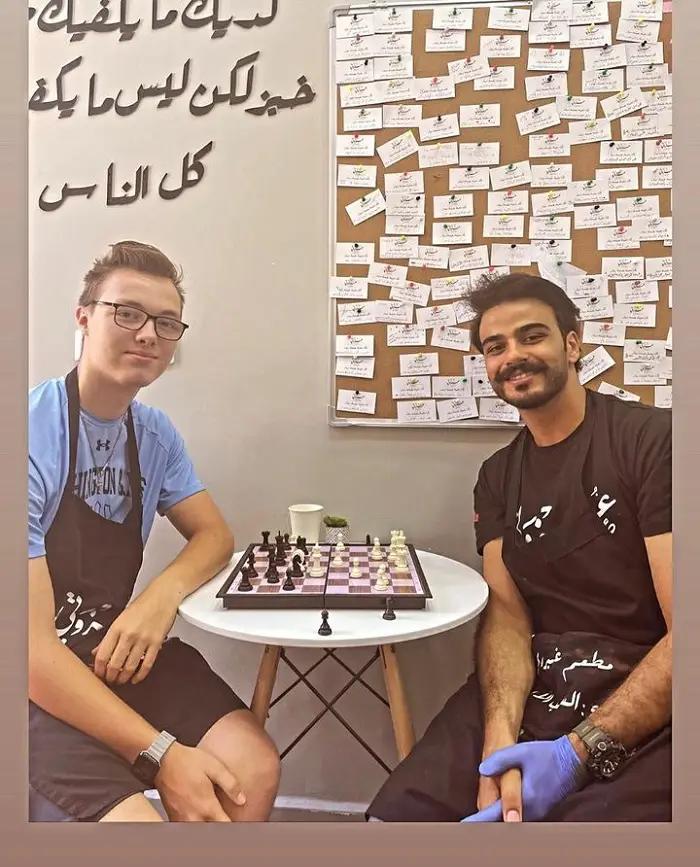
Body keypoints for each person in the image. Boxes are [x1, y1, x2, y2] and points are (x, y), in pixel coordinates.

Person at [366, 272, 672, 823]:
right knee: (393, 819)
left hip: (650, 693)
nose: (514, 356)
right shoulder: (498, 476)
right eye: (495, 346)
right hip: (538, 681)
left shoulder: (656, 442)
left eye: (533, 336)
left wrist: (576, 753)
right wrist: (498, 742)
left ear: (572, 344)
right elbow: (508, 614)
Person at [28, 240, 281, 822]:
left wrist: (156, 601)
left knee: (250, 773)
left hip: (112, 652)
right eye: (127, 313)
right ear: (84, 316)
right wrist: (162, 754)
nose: (147, 334)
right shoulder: (28, 436)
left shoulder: (153, 434)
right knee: (136, 828)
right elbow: (31, 653)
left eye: (166, 323)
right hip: (30, 677)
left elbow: (214, 534)